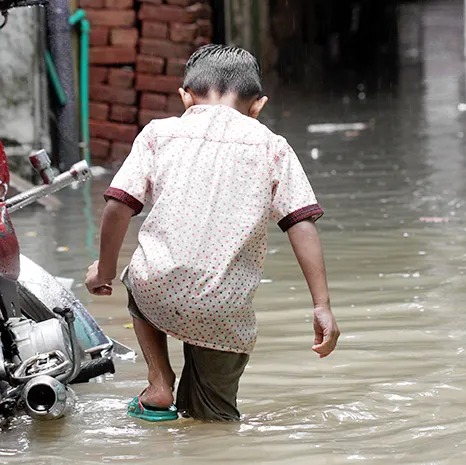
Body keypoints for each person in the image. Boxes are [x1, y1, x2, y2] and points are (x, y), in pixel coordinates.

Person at [85, 44, 340, 422]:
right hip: (224, 306)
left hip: (159, 287)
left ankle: (158, 382)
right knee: (213, 420)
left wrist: (103, 271)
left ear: (185, 97)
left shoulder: (159, 134)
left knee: (135, 276)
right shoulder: (273, 147)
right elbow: (300, 223)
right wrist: (321, 305)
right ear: (258, 107)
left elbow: (118, 204)